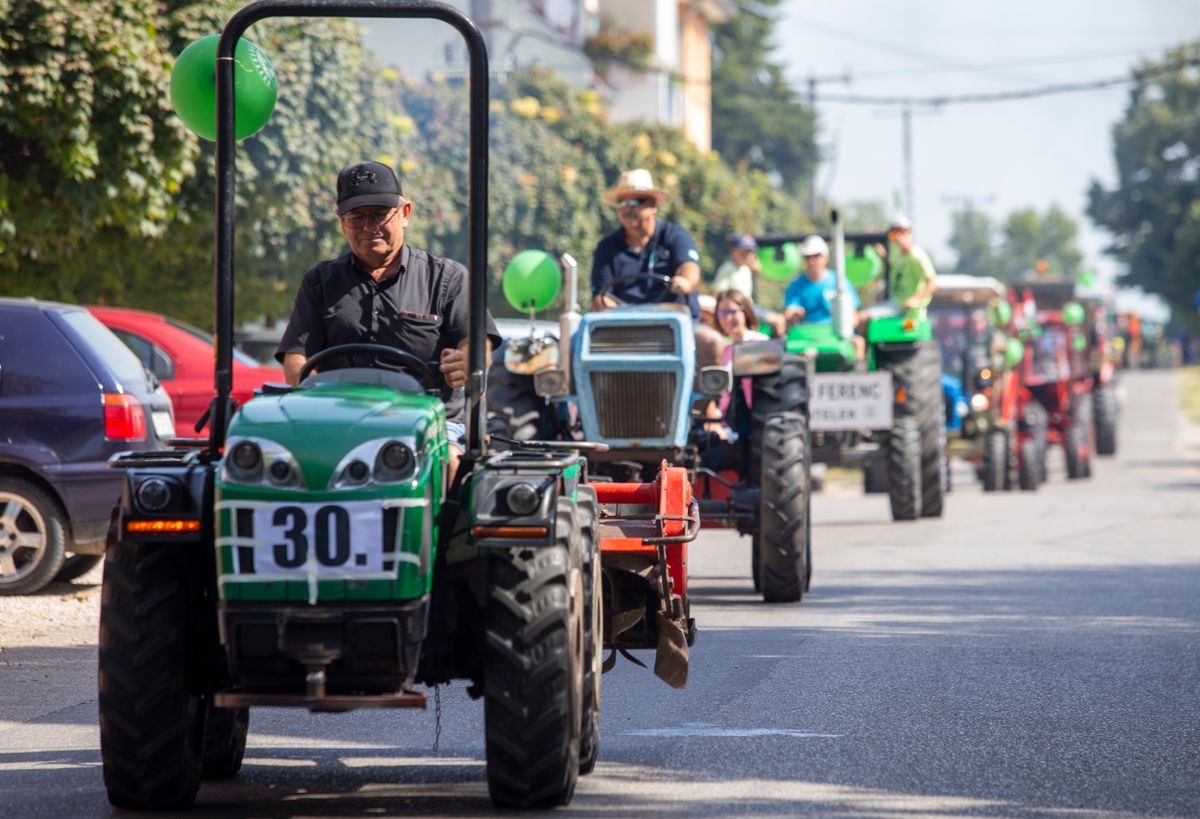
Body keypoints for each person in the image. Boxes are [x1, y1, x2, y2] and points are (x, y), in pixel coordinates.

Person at [275, 161, 502, 483]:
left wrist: (469, 360)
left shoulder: (447, 278)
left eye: (380, 214)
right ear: (341, 222)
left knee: (447, 460)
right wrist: (311, 392)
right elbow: (297, 359)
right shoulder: (319, 282)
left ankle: (439, 534)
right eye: (357, 217)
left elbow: (476, 343)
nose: (370, 227)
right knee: (281, 464)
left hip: (430, 420)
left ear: (405, 212)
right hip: (339, 417)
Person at [590, 168, 723, 367]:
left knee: (711, 343)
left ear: (652, 205)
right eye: (622, 203)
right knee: (574, 346)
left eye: (635, 202)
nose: (627, 208)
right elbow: (601, 297)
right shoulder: (606, 247)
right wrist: (623, 316)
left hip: (676, 325)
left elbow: (689, 269)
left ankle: (704, 399)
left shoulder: (674, 236)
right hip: (625, 330)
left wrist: (685, 282)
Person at [782, 235, 864, 358]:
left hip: (835, 333)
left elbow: (854, 316)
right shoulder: (796, 285)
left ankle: (856, 375)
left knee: (858, 343)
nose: (812, 261)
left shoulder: (840, 282)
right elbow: (789, 312)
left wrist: (843, 318)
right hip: (806, 334)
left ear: (825, 257)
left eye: (816, 256)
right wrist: (794, 313)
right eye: (808, 257)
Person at [883, 216, 938, 317]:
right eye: (894, 233)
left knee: (864, 317)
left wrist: (915, 300)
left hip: (913, 314)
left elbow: (932, 284)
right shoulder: (896, 255)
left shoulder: (917, 255)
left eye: (902, 232)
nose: (898, 237)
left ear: (909, 233)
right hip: (895, 306)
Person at [711, 234, 760, 302]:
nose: (747, 255)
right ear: (733, 251)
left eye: (749, 252)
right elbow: (716, 294)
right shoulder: (727, 268)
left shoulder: (746, 270)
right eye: (743, 252)